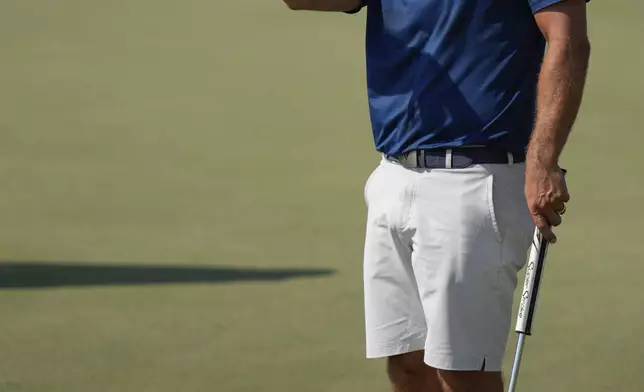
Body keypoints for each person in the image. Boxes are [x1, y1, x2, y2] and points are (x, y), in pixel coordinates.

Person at [282, 0, 590, 391]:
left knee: (463, 374)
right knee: (407, 363)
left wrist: (543, 159)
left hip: (475, 179)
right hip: (393, 172)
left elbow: (568, 40)